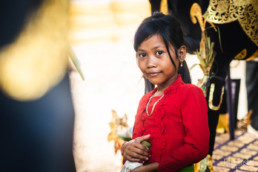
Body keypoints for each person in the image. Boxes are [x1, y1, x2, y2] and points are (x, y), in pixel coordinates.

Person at [121, 12, 210, 172]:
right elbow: (137, 145)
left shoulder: (190, 94)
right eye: (142, 55)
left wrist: (154, 168)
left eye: (159, 53)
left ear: (180, 53)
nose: (150, 63)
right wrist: (127, 148)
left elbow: (198, 148)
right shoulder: (145, 101)